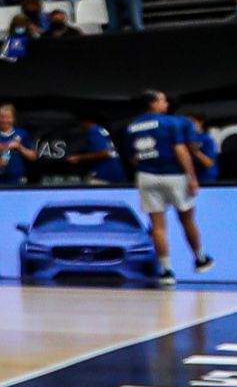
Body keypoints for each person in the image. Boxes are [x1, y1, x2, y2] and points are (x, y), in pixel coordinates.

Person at [124, 90, 213, 286]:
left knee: (157, 226)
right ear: (154, 103)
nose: (166, 103)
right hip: (174, 175)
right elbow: (180, 149)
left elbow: (133, 158)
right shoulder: (173, 122)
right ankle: (200, 259)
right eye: (163, 100)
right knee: (187, 219)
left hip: (146, 176)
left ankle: (166, 272)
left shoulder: (132, 126)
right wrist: (192, 177)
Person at [0, 103, 37, 187]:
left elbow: (33, 157)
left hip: (18, 180)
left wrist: (19, 147)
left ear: (13, 119)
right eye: (1, 117)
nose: (4, 120)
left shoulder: (22, 133)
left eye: (8, 117)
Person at [64, 117, 126, 185]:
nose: (80, 126)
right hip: (112, 171)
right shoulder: (100, 129)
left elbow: (106, 153)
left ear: (87, 122)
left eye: (81, 123)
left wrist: (79, 157)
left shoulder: (94, 131)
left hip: (107, 174)